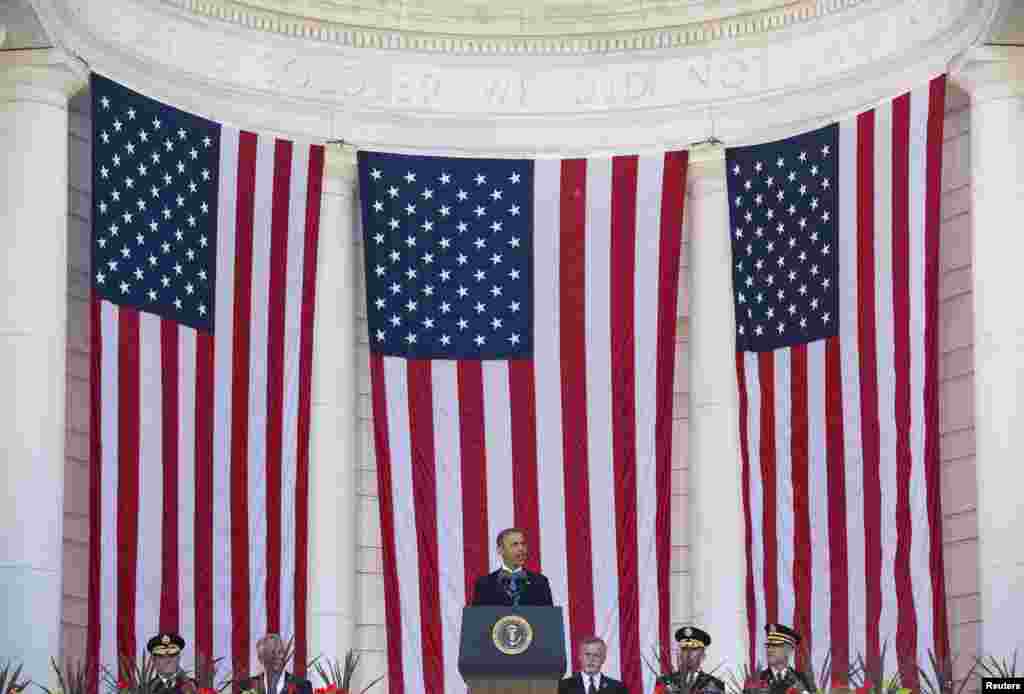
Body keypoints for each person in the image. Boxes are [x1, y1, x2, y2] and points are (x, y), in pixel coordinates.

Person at [470, 528, 553, 606]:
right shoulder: (484, 585)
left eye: (523, 544)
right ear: (500, 550)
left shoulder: (540, 582)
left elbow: (549, 618)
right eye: (515, 544)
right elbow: (477, 619)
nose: (521, 548)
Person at [654, 627, 724, 694]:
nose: (688, 653)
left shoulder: (714, 684)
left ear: (703, 655)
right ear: (680, 654)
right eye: (684, 649)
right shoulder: (664, 682)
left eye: (694, 649)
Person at [236, 634, 313, 694]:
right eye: (272, 652)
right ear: (261, 659)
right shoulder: (247, 686)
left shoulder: (302, 687)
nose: (279, 656)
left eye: (280, 652)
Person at [757, 624, 814, 694]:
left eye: (775, 645)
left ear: (789, 649)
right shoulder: (757, 680)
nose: (770, 650)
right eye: (768, 645)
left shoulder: (802, 680)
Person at [559, 637, 628, 693]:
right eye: (587, 654)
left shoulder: (618, 688)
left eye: (596, 655)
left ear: (603, 659)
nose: (591, 659)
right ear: (580, 657)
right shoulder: (565, 686)